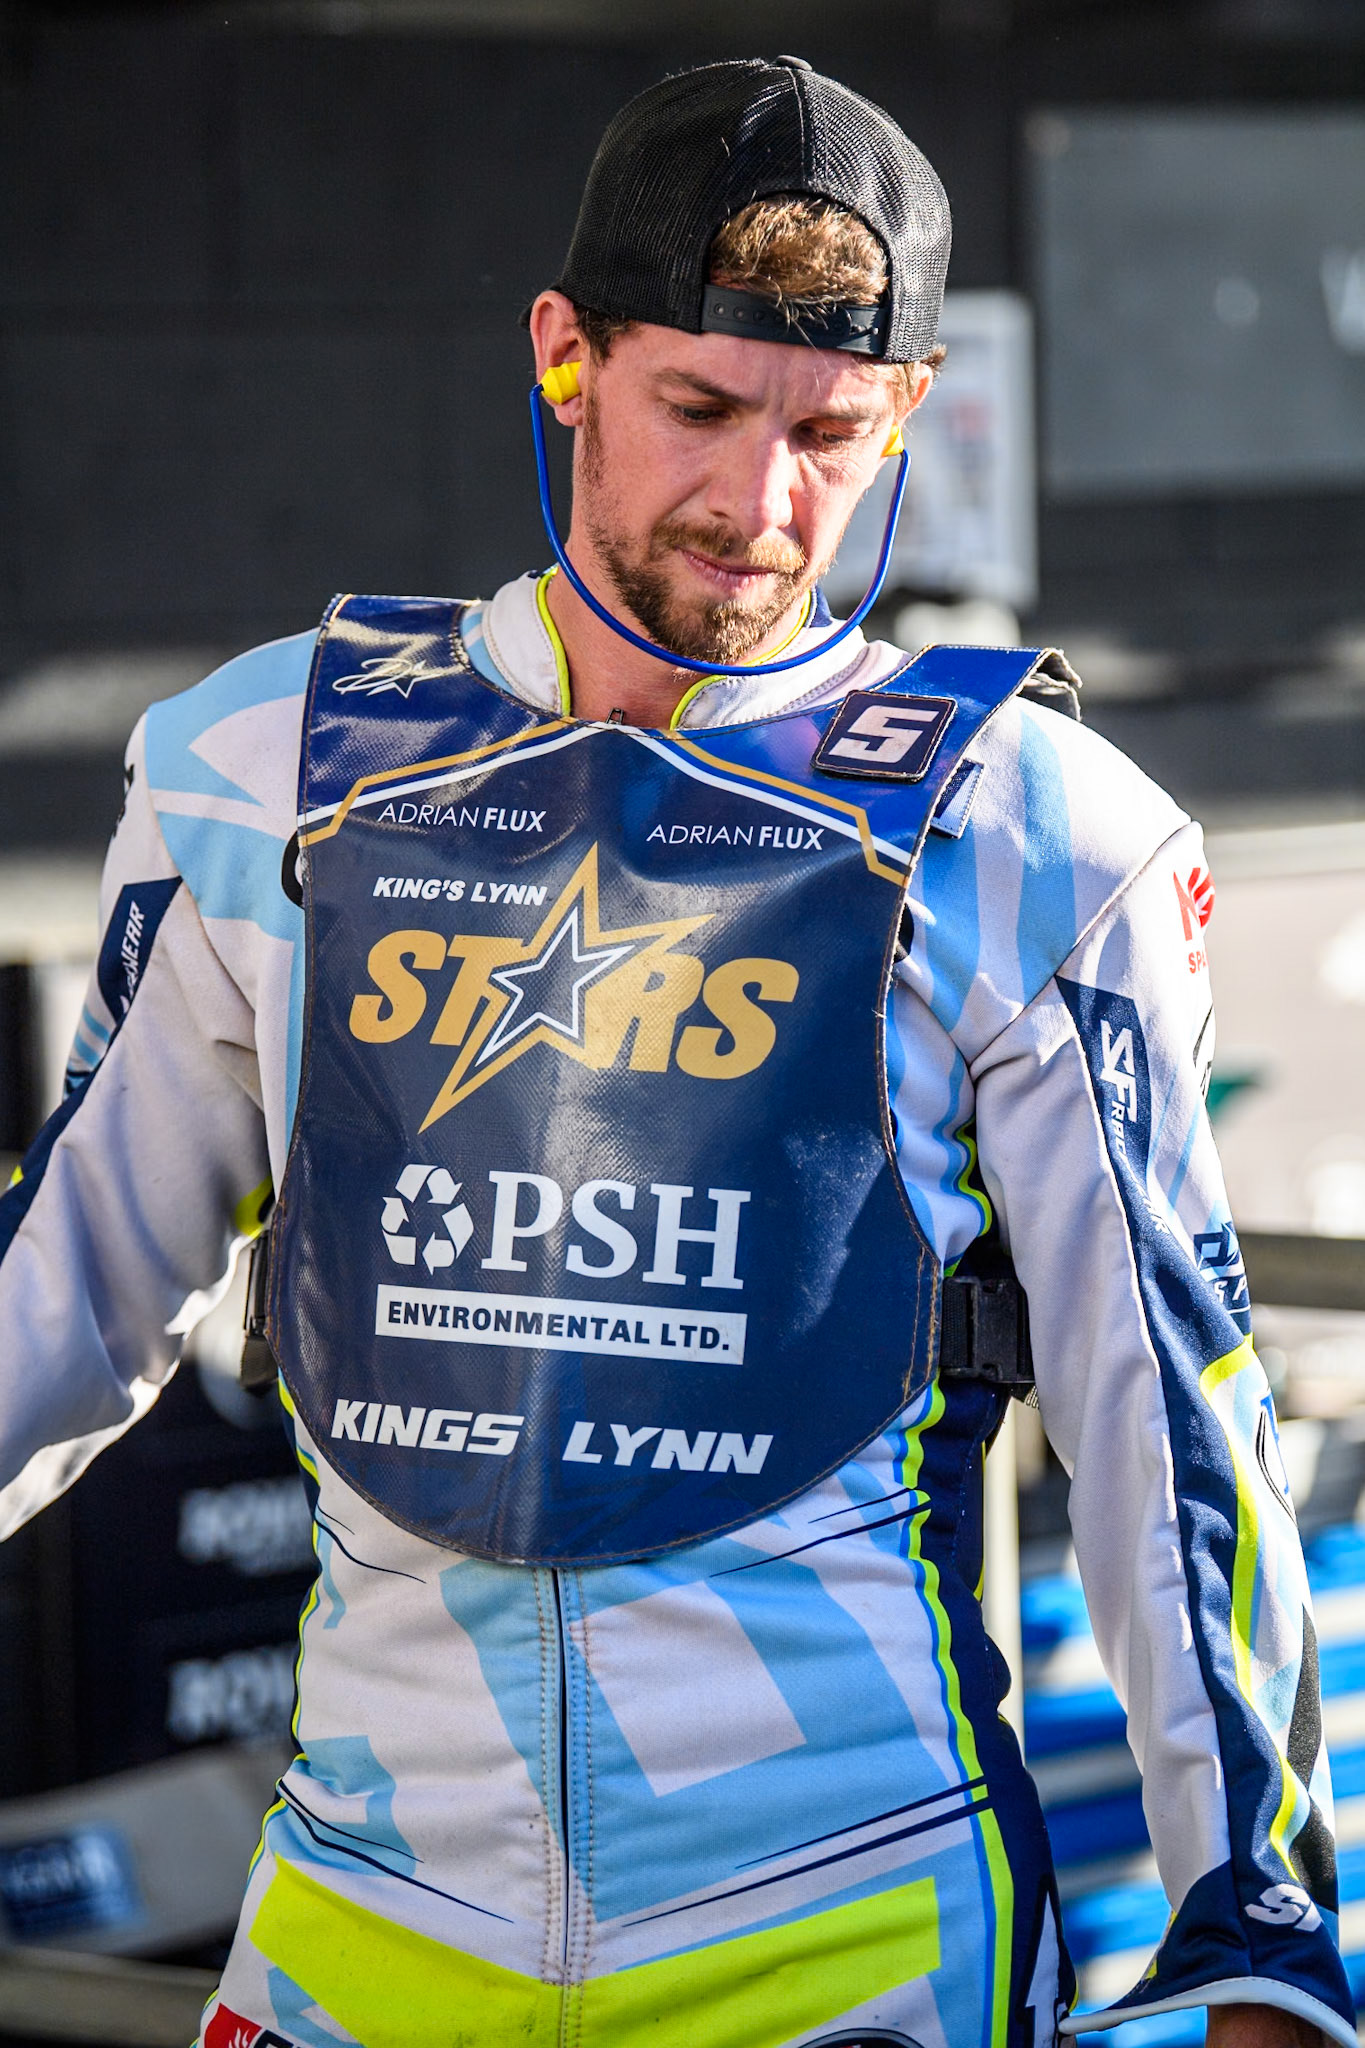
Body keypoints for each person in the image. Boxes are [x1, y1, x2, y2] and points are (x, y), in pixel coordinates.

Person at [0, 55, 1351, 2048]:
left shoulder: (1037, 828)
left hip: (848, 1939)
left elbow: (1169, 1412)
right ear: (563, 356)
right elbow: (66, 1295)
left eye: (831, 433)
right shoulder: (256, 768)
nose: (760, 506)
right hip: (366, 1930)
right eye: (700, 408)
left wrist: (1255, 1925)